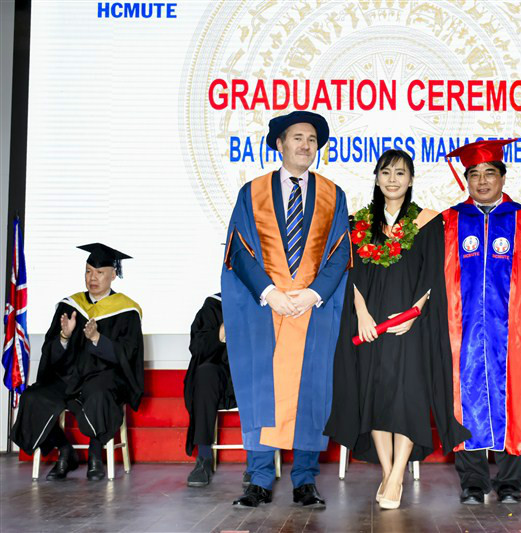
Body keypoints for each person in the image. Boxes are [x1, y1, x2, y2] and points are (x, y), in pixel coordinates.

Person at [324, 149, 471, 509]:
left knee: (408, 396)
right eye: (386, 172)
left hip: (410, 326)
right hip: (370, 325)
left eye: (400, 173)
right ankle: (388, 473)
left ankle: (397, 475)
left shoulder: (427, 222)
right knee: (374, 394)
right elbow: (350, 273)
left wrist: (414, 313)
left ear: (411, 180)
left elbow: (433, 274)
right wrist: (361, 313)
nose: (393, 179)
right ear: (376, 178)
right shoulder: (357, 223)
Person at [222, 110, 351, 508]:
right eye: (297, 137)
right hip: (267, 309)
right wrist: (267, 292)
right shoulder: (252, 192)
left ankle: (305, 480)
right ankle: (259, 479)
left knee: (312, 391)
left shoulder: (333, 194)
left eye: (311, 139)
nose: (305, 145)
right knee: (263, 388)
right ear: (279, 144)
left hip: (312, 309)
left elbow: (341, 251)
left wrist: (314, 293)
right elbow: (238, 249)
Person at [441, 139, 521, 505]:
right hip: (460, 333)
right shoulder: (450, 221)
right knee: (464, 403)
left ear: (503, 177)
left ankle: (510, 485)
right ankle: (473, 484)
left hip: (514, 335)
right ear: (466, 179)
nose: (482, 181)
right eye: (474, 174)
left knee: (514, 403)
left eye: (489, 173)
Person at [11, 243, 143, 481]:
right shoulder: (69, 306)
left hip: (103, 378)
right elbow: (50, 352)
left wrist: (97, 339)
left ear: (113, 275)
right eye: (88, 271)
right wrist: (64, 336)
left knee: (100, 394)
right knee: (33, 397)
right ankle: (65, 450)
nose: (93, 278)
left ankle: (95, 455)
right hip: (67, 377)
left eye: (99, 272)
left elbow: (128, 354)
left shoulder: (127, 311)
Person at [183, 293, 246, 487]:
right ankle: (204, 458)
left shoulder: (266, 302)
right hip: (219, 378)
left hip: (249, 374)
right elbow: (197, 347)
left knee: (265, 374)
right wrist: (221, 331)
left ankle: (258, 462)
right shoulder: (213, 305)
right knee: (204, 373)